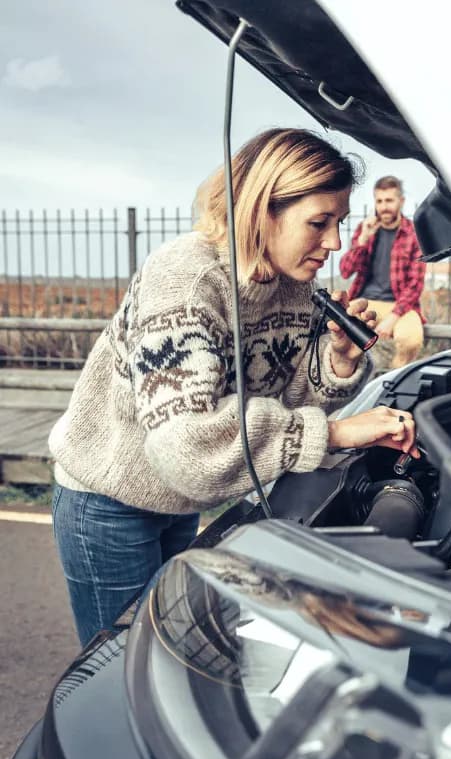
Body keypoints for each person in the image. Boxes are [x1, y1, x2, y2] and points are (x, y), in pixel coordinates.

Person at [49, 128, 419, 647]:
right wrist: (334, 434)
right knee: (128, 662)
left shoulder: (294, 285)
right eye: (319, 222)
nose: (334, 243)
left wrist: (335, 359)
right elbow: (188, 447)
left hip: (181, 498)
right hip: (111, 503)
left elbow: (286, 401)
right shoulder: (186, 279)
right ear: (261, 208)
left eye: (339, 223)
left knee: (177, 642)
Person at [339, 175, 427, 369]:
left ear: (401, 202)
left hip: (401, 306)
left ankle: (392, 384)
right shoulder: (366, 229)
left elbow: (415, 285)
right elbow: (345, 271)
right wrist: (362, 240)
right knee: (341, 332)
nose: (384, 206)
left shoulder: (413, 234)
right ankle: (352, 383)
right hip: (365, 301)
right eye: (379, 201)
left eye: (389, 200)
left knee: (410, 339)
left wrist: (392, 318)